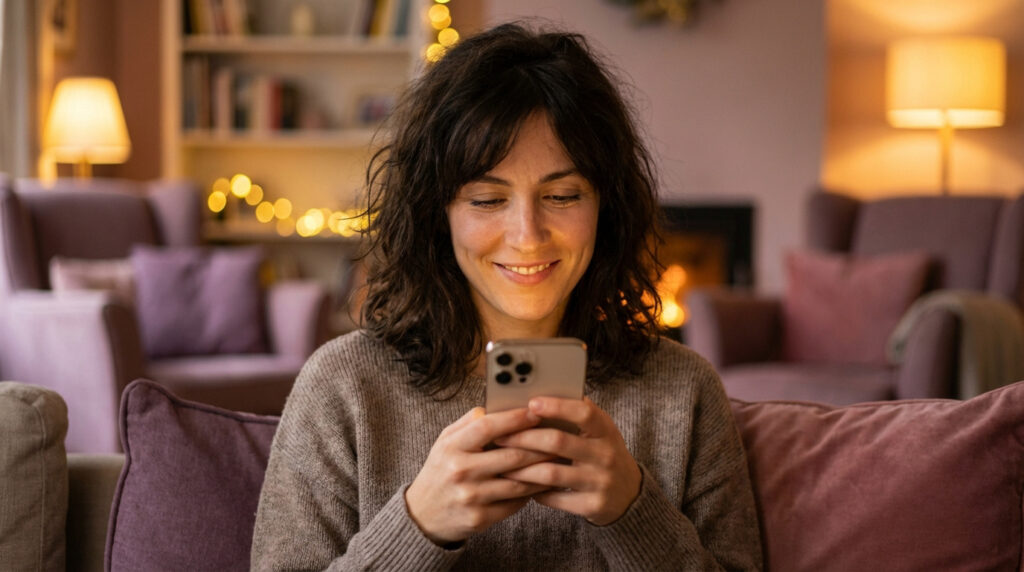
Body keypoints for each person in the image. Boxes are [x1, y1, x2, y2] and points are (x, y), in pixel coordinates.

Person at [251, 22, 762, 571]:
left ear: (605, 207)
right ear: (437, 213)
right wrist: (418, 526)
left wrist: (633, 513)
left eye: (562, 195)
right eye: (488, 199)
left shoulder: (683, 392)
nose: (527, 235)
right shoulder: (343, 389)